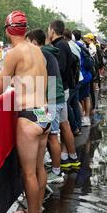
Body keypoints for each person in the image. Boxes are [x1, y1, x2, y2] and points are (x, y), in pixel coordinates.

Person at [0, 11, 51, 213]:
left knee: (28, 173)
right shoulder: (37, 51)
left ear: (8, 30)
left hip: (28, 118)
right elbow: (28, 82)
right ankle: (36, 210)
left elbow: (0, 88)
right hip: (44, 113)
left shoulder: (13, 53)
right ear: (25, 28)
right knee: (39, 168)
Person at [25, 29, 65, 185]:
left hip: (51, 100)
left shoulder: (41, 55)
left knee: (52, 136)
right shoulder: (48, 53)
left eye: (27, 43)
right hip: (55, 98)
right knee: (49, 135)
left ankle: (56, 172)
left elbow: (48, 81)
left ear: (34, 42)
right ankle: (53, 168)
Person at [48, 21, 81, 170]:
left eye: (49, 29)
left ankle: (57, 167)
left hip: (56, 93)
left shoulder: (58, 46)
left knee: (52, 132)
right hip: (63, 91)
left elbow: (58, 70)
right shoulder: (64, 44)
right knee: (65, 124)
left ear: (53, 30)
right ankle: (71, 157)